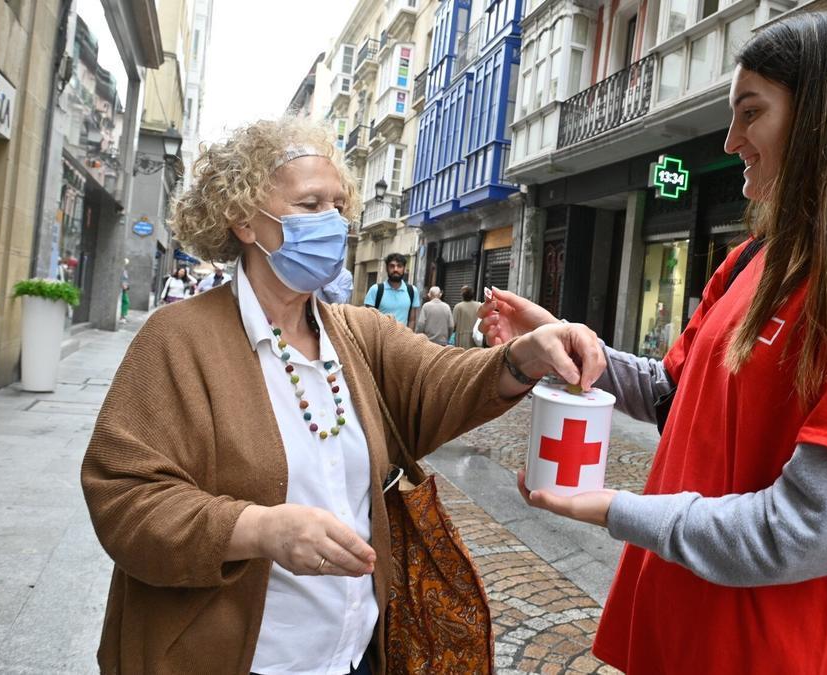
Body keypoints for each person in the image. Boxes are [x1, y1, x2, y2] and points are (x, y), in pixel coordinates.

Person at [479, 12, 827, 674]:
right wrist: (565, 341)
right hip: (681, 635)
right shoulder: (752, 260)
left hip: (770, 652)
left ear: (822, 119)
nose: (732, 137)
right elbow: (672, 395)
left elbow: (823, 526)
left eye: (751, 112)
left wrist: (620, 510)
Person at [80, 117, 605, 674]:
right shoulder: (177, 339)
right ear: (242, 220)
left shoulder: (358, 333)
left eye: (336, 205)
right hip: (237, 659)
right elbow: (124, 496)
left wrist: (526, 354)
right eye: (309, 205)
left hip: (355, 657)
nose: (330, 223)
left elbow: (442, 382)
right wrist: (258, 529)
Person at [363, 253, 419, 329]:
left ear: (404, 269)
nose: (395, 269)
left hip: (402, 339)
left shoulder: (412, 291)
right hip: (379, 339)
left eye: (399, 266)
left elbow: (412, 320)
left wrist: (408, 338)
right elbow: (368, 320)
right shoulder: (376, 290)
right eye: (392, 266)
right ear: (387, 268)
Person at [119, 258, 130, 324]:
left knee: (125, 302)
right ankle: (122, 316)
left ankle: (123, 316)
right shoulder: (122, 271)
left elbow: (125, 279)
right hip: (122, 288)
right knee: (125, 301)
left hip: (124, 288)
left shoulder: (124, 270)